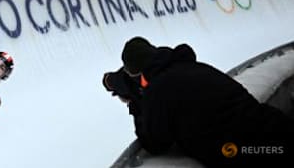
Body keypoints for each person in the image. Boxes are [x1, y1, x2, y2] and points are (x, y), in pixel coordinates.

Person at [104, 37, 294, 167]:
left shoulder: (158, 91)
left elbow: (155, 142)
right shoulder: (194, 67)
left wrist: (135, 106)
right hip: (273, 124)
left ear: (139, 74)